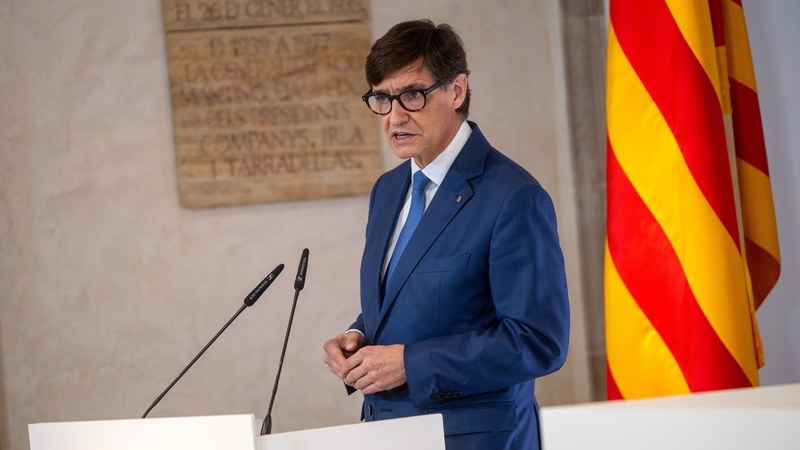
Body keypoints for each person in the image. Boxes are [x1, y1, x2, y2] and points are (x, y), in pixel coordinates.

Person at [322, 19, 570, 450]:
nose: (394, 116)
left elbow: (539, 341)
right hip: (389, 434)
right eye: (382, 98)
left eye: (412, 96)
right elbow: (412, 295)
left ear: (456, 91)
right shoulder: (387, 189)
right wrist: (359, 336)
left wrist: (410, 364)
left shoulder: (514, 196)